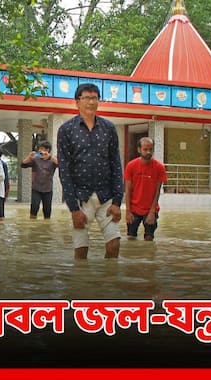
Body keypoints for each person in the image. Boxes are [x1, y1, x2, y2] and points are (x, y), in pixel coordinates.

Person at [57, 83, 123, 259]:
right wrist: (73, 208)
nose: (91, 102)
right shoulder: (66, 130)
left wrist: (118, 201)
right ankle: (81, 284)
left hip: (106, 196)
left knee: (114, 244)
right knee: (81, 250)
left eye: (94, 98)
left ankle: (108, 284)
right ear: (77, 102)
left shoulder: (109, 128)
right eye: (86, 98)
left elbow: (116, 164)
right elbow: (64, 169)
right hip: (80, 198)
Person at [124, 137, 167, 241]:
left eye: (150, 149)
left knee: (149, 238)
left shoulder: (159, 167)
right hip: (134, 208)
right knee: (131, 238)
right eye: (145, 149)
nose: (148, 152)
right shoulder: (131, 166)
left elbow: (157, 192)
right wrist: (128, 211)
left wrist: (152, 212)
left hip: (150, 209)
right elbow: (128, 190)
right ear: (139, 150)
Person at [22, 141, 59, 219]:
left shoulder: (53, 160)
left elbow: (61, 165)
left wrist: (49, 157)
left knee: (47, 211)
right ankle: (32, 227)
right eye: (39, 148)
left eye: (42, 149)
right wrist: (29, 157)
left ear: (47, 150)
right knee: (34, 208)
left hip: (48, 189)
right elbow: (23, 165)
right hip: (36, 188)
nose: (39, 150)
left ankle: (46, 228)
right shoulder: (36, 159)